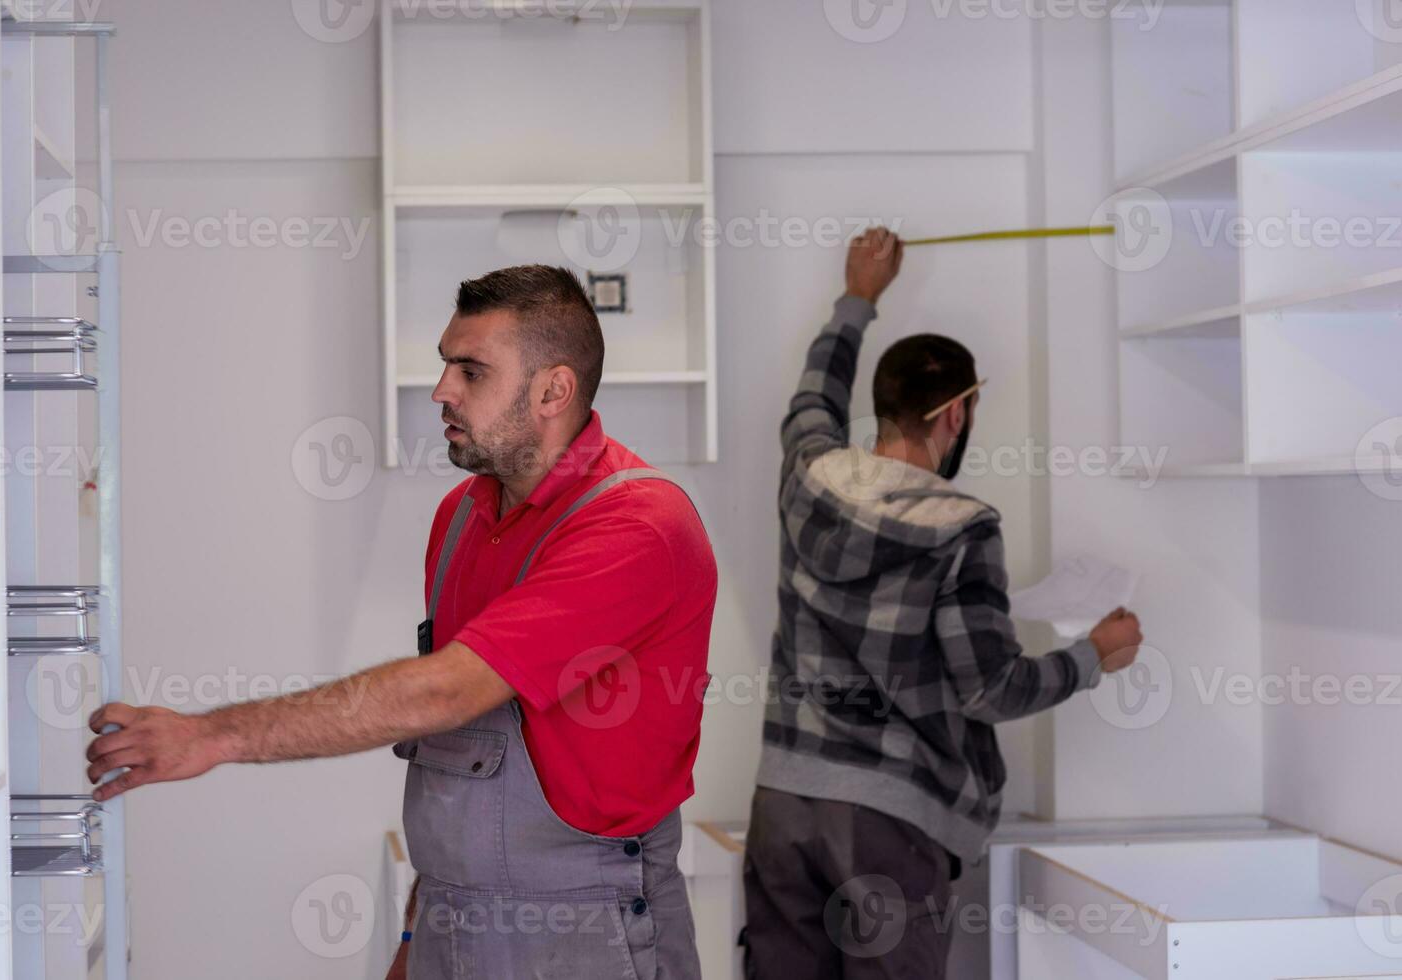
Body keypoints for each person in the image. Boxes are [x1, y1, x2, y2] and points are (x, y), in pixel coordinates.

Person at [85, 265, 717, 979]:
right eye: (444, 364)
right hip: (452, 921)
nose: (441, 390)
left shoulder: (638, 526)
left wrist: (210, 734)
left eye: (470, 371)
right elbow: (463, 758)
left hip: (587, 931)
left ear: (552, 390)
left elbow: (445, 692)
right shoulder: (461, 520)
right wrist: (418, 936)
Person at [741, 228, 1142, 979]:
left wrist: (858, 296)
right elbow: (990, 689)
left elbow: (811, 395)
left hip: (784, 802)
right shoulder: (962, 528)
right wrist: (1096, 655)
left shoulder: (807, 474)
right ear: (956, 414)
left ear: (885, 406)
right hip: (891, 822)